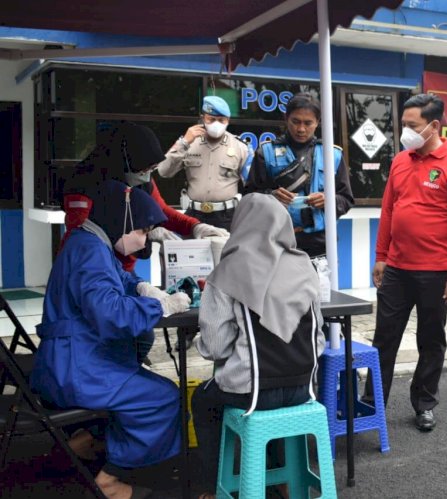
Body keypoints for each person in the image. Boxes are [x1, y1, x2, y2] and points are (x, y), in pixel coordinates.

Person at [31, 179, 191, 499]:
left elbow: (121, 281)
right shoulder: (91, 250)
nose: (143, 240)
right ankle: (112, 478)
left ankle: (90, 444)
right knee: (162, 397)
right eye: (143, 232)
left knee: (146, 381)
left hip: (68, 358)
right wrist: (158, 304)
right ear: (125, 222)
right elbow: (113, 315)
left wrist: (143, 289)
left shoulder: (89, 242)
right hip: (77, 368)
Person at [191, 193, 325, 499]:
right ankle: (281, 478)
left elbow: (215, 347)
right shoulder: (306, 267)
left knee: (202, 399)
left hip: (251, 393)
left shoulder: (228, 270)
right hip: (303, 389)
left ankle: (213, 488)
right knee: (273, 399)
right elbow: (317, 337)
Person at [367, 93, 447, 432]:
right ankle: (371, 404)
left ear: (434, 126)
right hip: (397, 270)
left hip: (436, 272)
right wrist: (381, 256)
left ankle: (424, 403)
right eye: (403, 126)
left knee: (431, 341)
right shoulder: (400, 161)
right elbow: (388, 211)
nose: (406, 132)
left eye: (412, 126)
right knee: (384, 339)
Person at [63, 122, 229, 272]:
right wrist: (144, 232)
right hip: (89, 266)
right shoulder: (83, 184)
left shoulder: (142, 178)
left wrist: (195, 227)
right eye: (144, 170)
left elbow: (161, 211)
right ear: (127, 162)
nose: (147, 175)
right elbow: (83, 234)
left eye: (152, 169)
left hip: (123, 270)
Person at [243, 92, 354, 258]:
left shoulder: (332, 155)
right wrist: (271, 196)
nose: (301, 129)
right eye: (295, 121)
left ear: (318, 122)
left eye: (308, 123)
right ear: (286, 118)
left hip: (320, 243)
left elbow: (346, 199)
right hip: (275, 241)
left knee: (319, 285)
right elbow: (248, 198)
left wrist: (328, 200)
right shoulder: (265, 153)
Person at [158, 96, 250, 231]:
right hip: (194, 215)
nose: (216, 123)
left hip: (227, 217)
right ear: (203, 119)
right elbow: (163, 171)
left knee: (225, 252)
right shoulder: (189, 143)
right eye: (211, 119)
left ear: (228, 121)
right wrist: (184, 143)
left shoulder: (240, 147)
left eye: (221, 120)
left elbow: (251, 186)